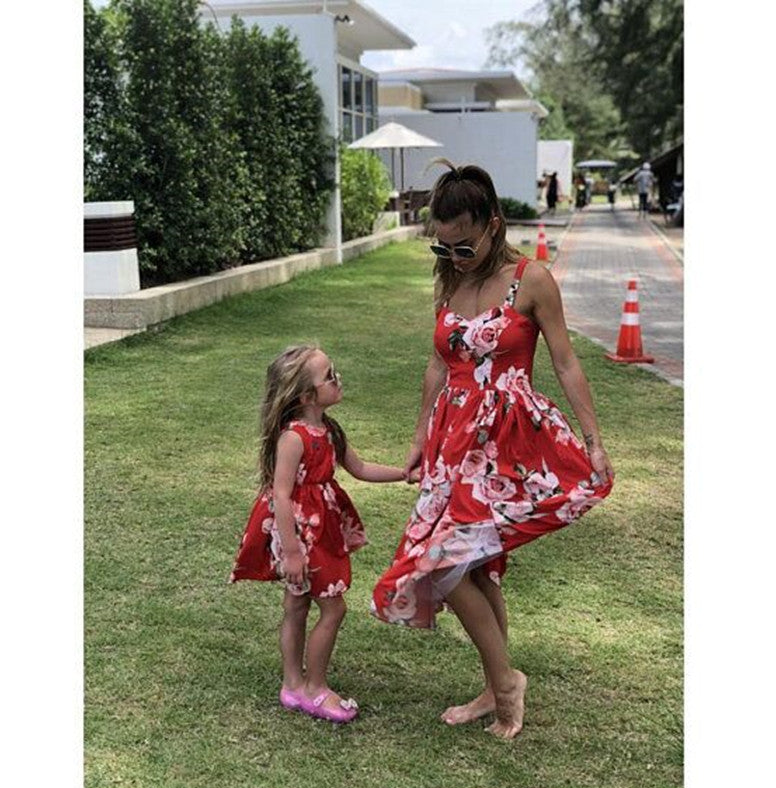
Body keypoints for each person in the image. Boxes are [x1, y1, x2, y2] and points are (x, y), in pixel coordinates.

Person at [370, 160, 614, 740]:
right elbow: (437, 364)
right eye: (442, 248)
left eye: (463, 245)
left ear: (495, 224)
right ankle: (495, 682)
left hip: (504, 440)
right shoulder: (452, 279)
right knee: (473, 565)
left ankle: (506, 684)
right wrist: (418, 438)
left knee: (450, 565)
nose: (453, 258)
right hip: (453, 440)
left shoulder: (532, 279)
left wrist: (594, 440)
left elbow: (565, 360)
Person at [230, 345, 404, 723]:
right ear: (307, 396)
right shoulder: (294, 438)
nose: (337, 378)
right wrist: (291, 553)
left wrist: (405, 474)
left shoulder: (329, 430)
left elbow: (359, 468)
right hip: (301, 535)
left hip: (320, 528)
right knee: (332, 607)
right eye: (330, 375)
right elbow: (280, 494)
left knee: (297, 605)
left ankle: (294, 684)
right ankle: (312, 687)